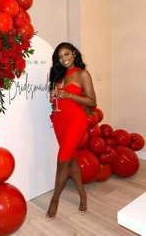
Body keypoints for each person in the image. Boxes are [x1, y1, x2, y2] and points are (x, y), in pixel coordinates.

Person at [46, 42, 96, 220]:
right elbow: (58, 100)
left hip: (76, 121)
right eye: (60, 57)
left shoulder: (83, 74)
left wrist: (69, 95)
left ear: (74, 53)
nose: (64, 59)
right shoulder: (58, 74)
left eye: (66, 54)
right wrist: (54, 97)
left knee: (62, 161)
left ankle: (54, 200)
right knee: (71, 157)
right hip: (60, 120)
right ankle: (82, 194)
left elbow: (92, 102)